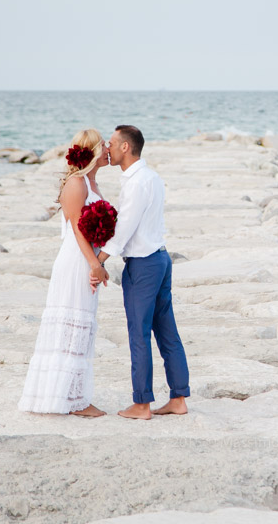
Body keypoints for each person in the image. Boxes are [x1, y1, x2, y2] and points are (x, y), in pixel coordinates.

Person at [92, 125, 190, 420]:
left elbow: (125, 227)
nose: (106, 149)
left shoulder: (136, 182)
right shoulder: (152, 176)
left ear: (125, 147)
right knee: (167, 332)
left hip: (144, 264)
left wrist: (99, 259)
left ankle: (142, 404)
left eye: (110, 143)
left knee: (139, 333)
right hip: (160, 258)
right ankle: (178, 398)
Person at [18, 129, 110, 418]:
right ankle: (71, 399)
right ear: (93, 151)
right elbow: (76, 228)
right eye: (104, 144)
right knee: (72, 323)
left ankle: (74, 395)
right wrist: (94, 264)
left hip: (87, 258)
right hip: (75, 261)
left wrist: (99, 259)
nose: (109, 148)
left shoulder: (91, 182)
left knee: (82, 327)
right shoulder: (77, 183)